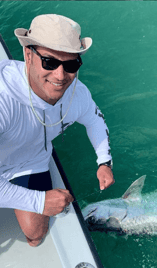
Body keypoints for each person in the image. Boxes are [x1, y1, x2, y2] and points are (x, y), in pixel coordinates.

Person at [0, 14, 114, 247]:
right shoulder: (3, 100)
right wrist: (38, 200)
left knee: (36, 235)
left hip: (30, 162)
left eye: (70, 64)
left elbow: (95, 120)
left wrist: (104, 161)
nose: (60, 76)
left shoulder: (77, 93)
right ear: (28, 55)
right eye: (49, 62)